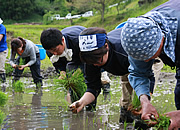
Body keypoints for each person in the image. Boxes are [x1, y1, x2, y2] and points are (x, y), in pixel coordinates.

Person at [69, 27, 162, 125]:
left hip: (147, 58)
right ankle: (125, 122)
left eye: (98, 60)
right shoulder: (91, 60)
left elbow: (146, 77)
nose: (95, 64)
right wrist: (81, 102)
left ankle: (142, 124)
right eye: (91, 62)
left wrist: (144, 100)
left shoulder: (123, 51)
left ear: (106, 46)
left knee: (139, 102)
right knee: (126, 102)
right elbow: (93, 88)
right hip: (123, 64)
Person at [120, 0, 180, 128]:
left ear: (161, 39)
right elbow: (138, 73)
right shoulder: (139, 35)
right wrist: (144, 101)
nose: (147, 61)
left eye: (149, 55)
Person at [0, 18, 8, 87]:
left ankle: (3, 84)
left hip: (2, 50)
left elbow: (0, 38)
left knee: (1, 68)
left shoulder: (2, 27)